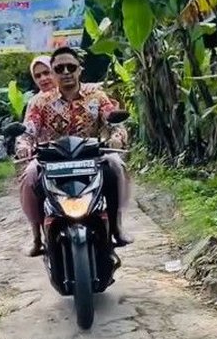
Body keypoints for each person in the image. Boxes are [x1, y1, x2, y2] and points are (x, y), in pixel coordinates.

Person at [16, 47, 133, 257]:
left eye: (71, 67)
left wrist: (117, 138)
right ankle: (36, 237)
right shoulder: (39, 102)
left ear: (80, 69)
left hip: (93, 156)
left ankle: (116, 226)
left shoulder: (96, 96)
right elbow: (29, 129)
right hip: (51, 160)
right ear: (54, 73)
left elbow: (113, 120)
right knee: (29, 175)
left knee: (116, 165)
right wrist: (24, 145)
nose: (66, 72)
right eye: (60, 68)